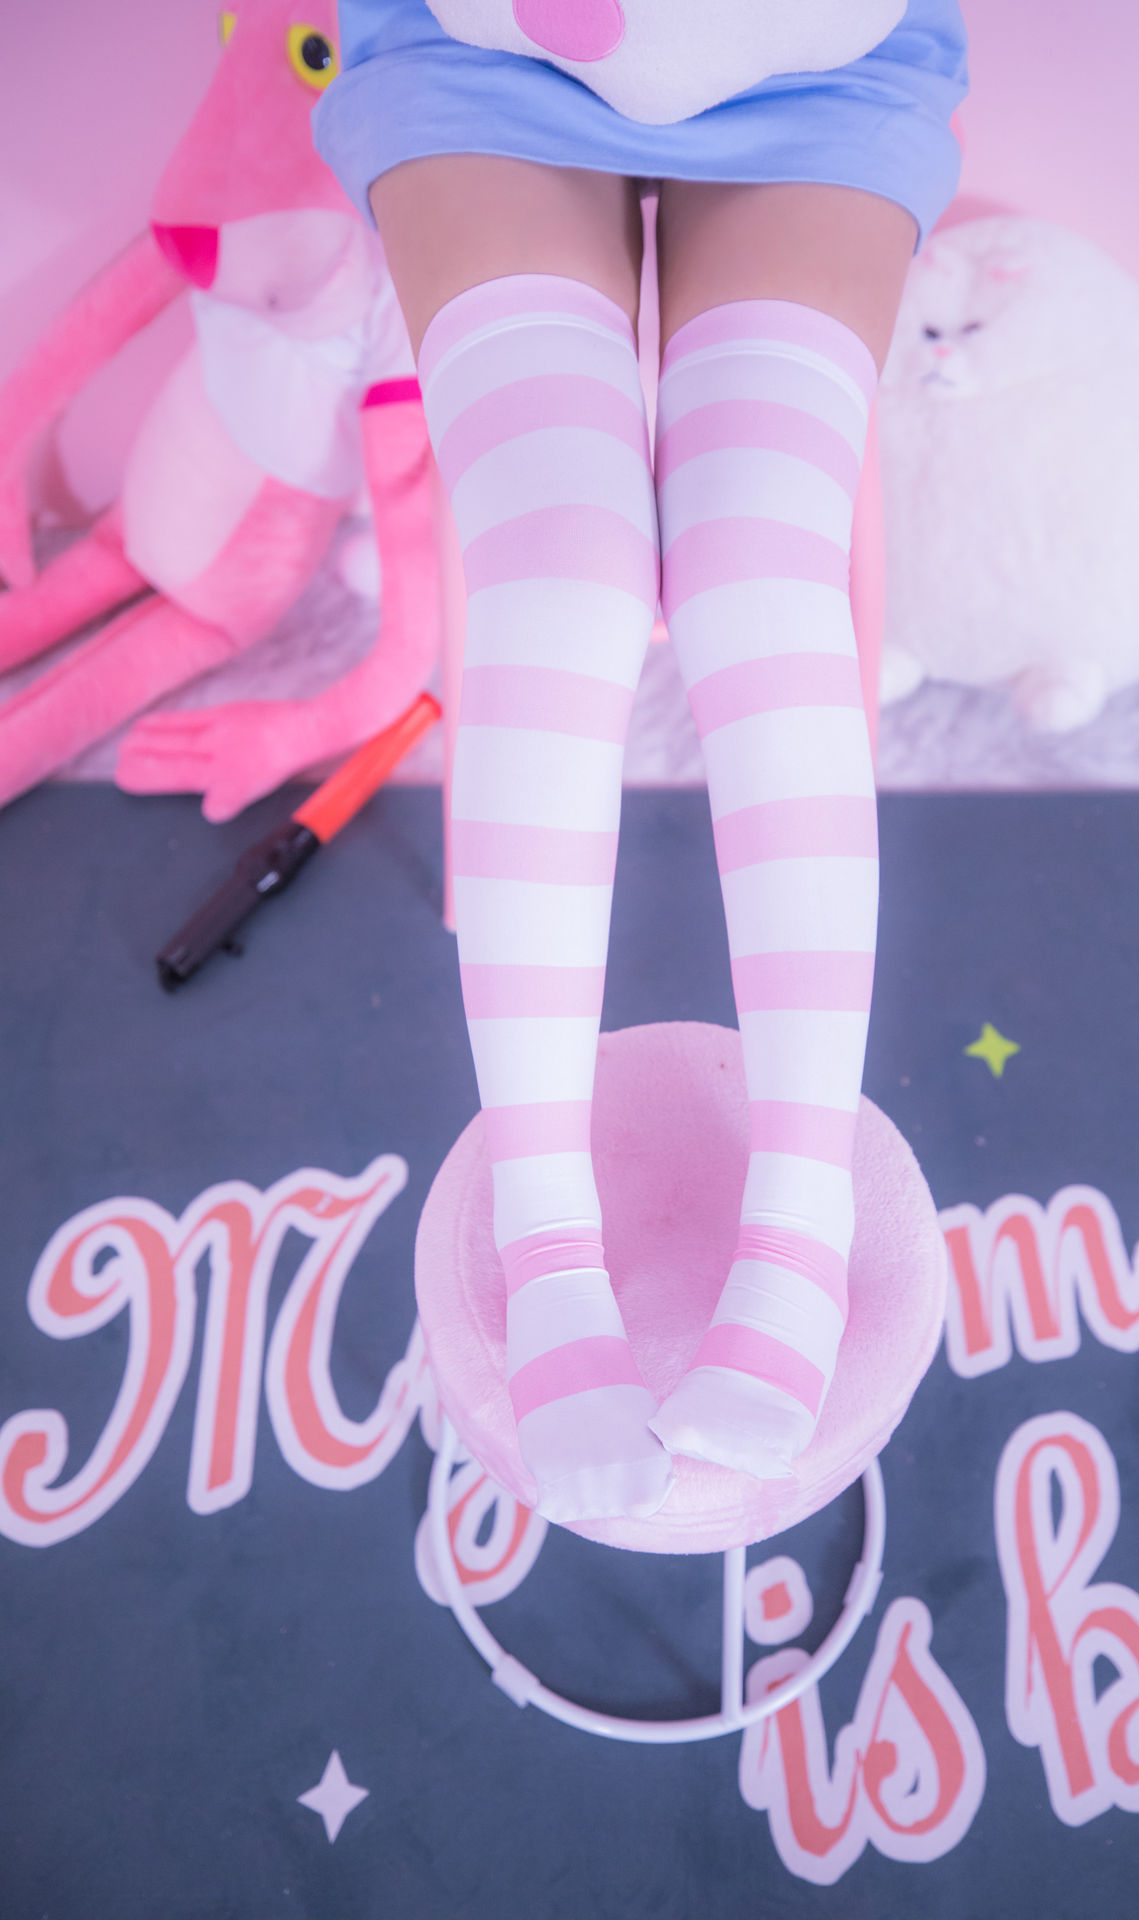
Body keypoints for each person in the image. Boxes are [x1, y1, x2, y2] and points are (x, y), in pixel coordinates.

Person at [314, 0, 968, 1523]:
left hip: (811, 56)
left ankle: (797, 1229)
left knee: (757, 570)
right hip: (489, 53)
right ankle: (548, 1242)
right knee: (561, 577)